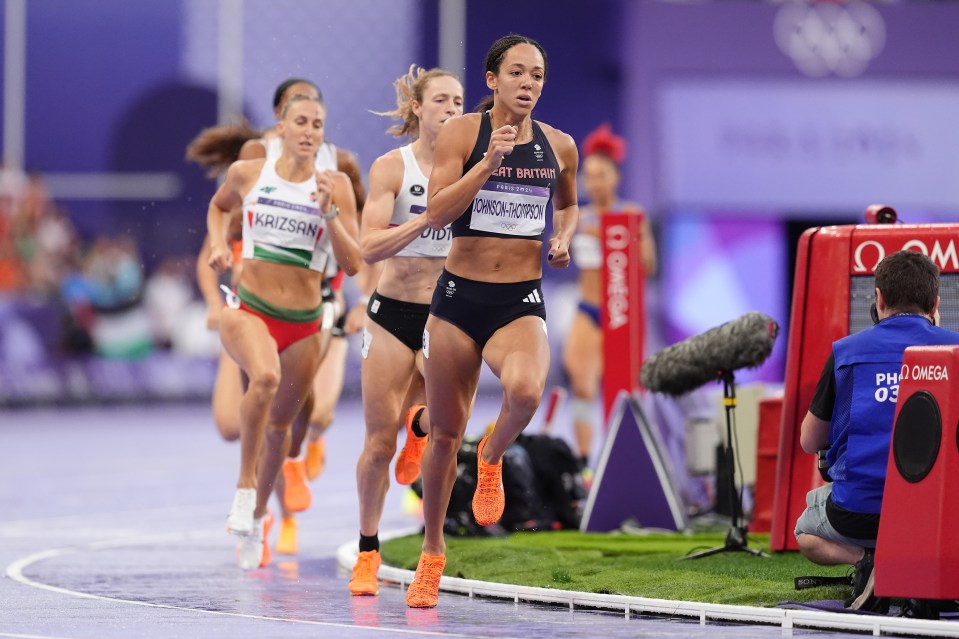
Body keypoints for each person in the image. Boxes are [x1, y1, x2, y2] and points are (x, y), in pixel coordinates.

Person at [405, 34, 580, 608]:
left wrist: (563, 234)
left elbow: (570, 203)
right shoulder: (462, 133)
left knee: (526, 394)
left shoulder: (560, 146)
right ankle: (432, 555)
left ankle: (492, 456)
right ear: (492, 80)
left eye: (537, 75)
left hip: (518, 301)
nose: (528, 84)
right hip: (458, 300)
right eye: (517, 74)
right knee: (443, 437)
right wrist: (488, 164)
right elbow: (436, 211)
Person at [207, 93, 361, 570]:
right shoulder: (249, 173)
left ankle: (256, 520)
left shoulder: (335, 185)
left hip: (306, 325)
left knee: (281, 432)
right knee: (265, 380)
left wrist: (330, 211)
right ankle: (243, 488)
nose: (310, 130)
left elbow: (354, 263)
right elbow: (217, 209)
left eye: (318, 122)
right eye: (301, 121)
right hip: (249, 309)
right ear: (282, 125)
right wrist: (218, 247)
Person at [346, 65, 464, 596]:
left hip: (447, 311)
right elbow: (368, 246)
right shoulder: (391, 168)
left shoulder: (474, 170)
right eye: (441, 99)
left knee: (444, 433)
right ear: (418, 107)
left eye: (460, 100)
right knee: (376, 442)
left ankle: (431, 553)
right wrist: (426, 219)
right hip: (391, 310)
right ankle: (367, 550)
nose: (452, 108)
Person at [795, 249, 959, 609]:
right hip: (937, 517)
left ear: (879, 299)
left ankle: (866, 561)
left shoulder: (845, 352)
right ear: (935, 303)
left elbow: (810, 441)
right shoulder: (956, 349)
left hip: (857, 514)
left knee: (805, 531)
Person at [562, 123, 657, 470]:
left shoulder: (632, 215)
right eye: (588, 175)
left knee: (625, 392)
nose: (594, 182)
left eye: (601, 175)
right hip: (588, 312)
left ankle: (627, 459)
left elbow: (649, 264)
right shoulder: (578, 217)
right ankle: (586, 464)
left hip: (623, 317)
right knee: (583, 387)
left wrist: (615, 238)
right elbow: (560, 258)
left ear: (615, 177)